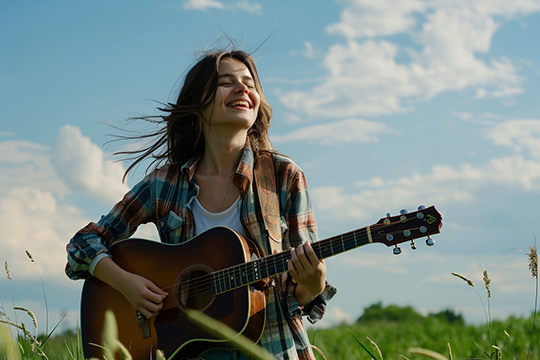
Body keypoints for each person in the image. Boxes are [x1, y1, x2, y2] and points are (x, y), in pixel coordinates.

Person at [66, 50, 336, 360]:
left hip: (274, 350)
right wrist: (126, 284)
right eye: (226, 82)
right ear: (198, 104)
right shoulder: (164, 184)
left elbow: (298, 294)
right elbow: (81, 245)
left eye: (250, 83)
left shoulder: (283, 176)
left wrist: (312, 285)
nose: (243, 89)